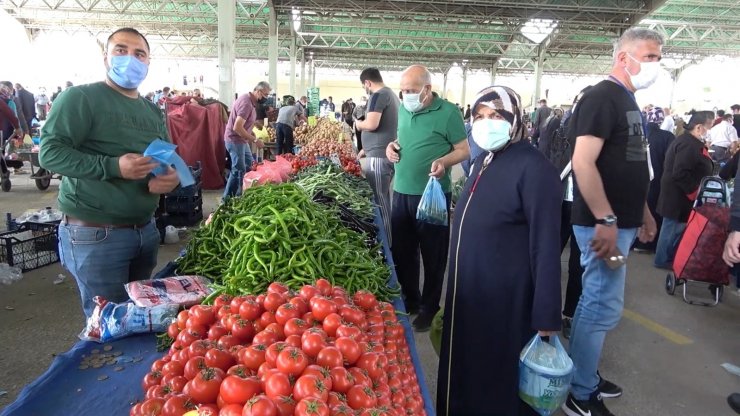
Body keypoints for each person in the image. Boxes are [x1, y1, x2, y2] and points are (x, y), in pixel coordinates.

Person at [436, 85, 562, 416]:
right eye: (479, 116)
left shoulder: (535, 169)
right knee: (468, 368)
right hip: (471, 293)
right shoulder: (485, 160)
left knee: (497, 379)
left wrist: (546, 315)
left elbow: (546, 246)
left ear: (516, 119)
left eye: (496, 116)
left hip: (505, 301)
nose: (486, 123)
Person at [38, 27, 180, 318]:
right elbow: (50, 153)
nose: (130, 58)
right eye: (121, 50)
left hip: (145, 230)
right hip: (95, 233)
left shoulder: (152, 111)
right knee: (106, 321)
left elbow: (167, 159)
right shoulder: (80, 98)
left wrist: (173, 177)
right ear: (106, 58)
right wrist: (113, 166)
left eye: (139, 53)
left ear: (148, 62)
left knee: (137, 317)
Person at [563, 27, 660, 416]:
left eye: (658, 56)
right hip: (602, 225)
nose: (656, 64)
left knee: (601, 303)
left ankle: (585, 373)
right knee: (599, 304)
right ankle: (580, 393)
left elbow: (633, 165)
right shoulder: (603, 96)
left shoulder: (627, 100)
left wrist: (644, 214)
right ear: (624, 58)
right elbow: (583, 162)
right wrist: (606, 217)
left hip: (620, 222)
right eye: (650, 56)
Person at [386, 65, 469, 331]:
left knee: (433, 254)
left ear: (427, 89)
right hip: (401, 192)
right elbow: (401, 140)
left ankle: (429, 306)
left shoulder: (448, 113)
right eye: (403, 91)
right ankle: (411, 299)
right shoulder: (403, 110)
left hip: (432, 196)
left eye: (411, 91)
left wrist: (444, 161)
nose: (406, 95)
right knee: (403, 251)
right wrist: (391, 148)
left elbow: (463, 150)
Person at [653, 111, 715, 269]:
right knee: (671, 228)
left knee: (674, 227)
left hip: (680, 194)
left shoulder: (689, 141)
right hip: (679, 194)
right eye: (710, 126)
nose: (711, 130)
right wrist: (693, 192)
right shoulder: (688, 144)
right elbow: (680, 172)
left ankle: (665, 257)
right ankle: (662, 259)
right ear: (699, 127)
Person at [355, 68, 399, 245]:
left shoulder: (378, 95)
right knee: (384, 197)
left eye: (363, 85)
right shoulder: (392, 95)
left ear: (367, 83)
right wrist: (366, 148)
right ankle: (389, 241)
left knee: (380, 202)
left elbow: (372, 124)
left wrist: (358, 124)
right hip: (382, 153)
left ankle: (388, 245)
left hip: (379, 158)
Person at [633, 106, 676, 253]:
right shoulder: (667, 137)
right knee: (652, 210)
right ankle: (648, 243)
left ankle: (634, 242)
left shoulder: (636, 133)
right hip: (658, 180)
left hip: (636, 178)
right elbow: (671, 161)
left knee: (637, 207)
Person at [223, 81, 271, 199]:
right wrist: (255, 140)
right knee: (238, 169)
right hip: (235, 140)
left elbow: (243, 120)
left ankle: (245, 192)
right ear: (258, 91)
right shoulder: (247, 103)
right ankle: (228, 199)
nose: (266, 98)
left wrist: (252, 125)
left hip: (242, 141)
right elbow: (237, 127)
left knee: (250, 165)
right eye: (265, 95)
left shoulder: (250, 101)